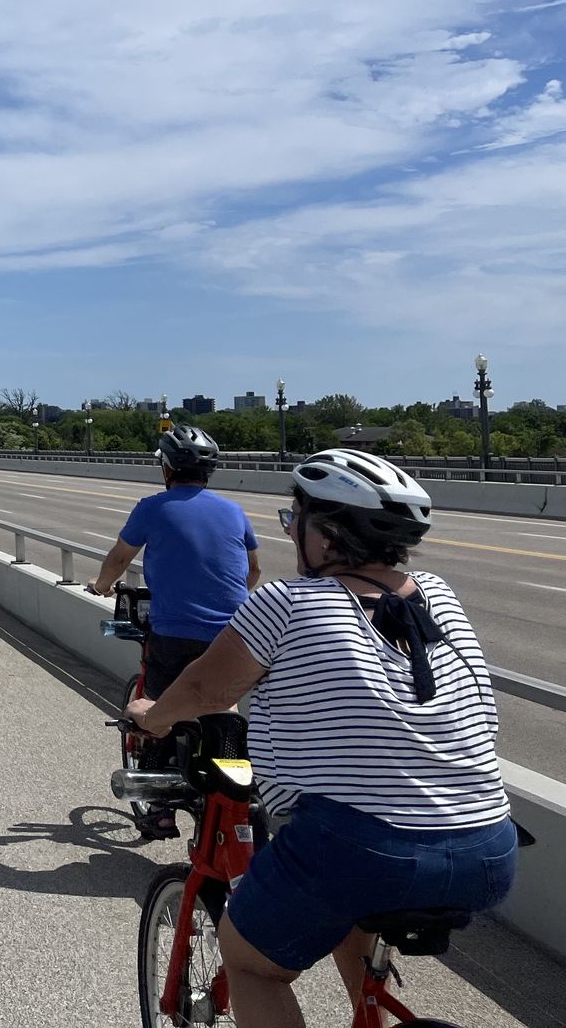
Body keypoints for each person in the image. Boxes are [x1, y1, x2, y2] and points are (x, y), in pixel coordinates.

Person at [125, 449, 515, 1028]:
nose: (291, 533)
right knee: (348, 911)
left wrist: (152, 716)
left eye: (294, 520)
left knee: (251, 962)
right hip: (489, 847)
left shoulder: (288, 601)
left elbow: (206, 688)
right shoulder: (437, 593)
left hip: (358, 847)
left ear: (327, 536)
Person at [85, 423, 260, 837]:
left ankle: (159, 808)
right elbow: (253, 570)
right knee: (224, 707)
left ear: (166, 468)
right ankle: (232, 796)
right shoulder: (234, 511)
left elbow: (119, 557)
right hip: (234, 635)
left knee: (156, 710)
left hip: (174, 633)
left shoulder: (152, 507)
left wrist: (103, 585)